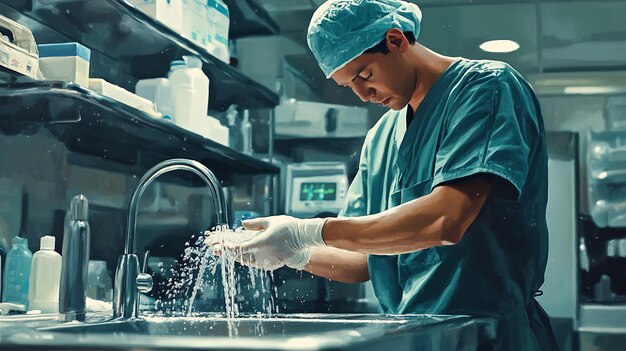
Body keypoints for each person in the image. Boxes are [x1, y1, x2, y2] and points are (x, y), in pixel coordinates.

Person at [207, 0, 558, 349]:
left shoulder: (485, 88)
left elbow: (446, 220)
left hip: (489, 335)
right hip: (417, 336)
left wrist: (306, 231)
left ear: (396, 41)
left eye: (364, 75)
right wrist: (290, 252)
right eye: (349, 85)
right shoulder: (381, 137)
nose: (362, 95)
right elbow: (361, 260)